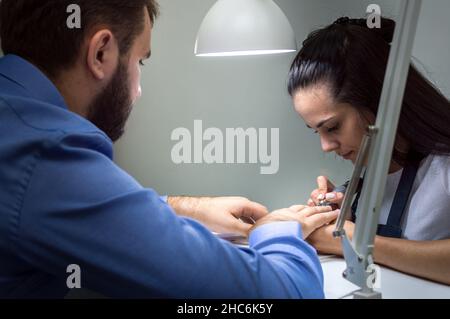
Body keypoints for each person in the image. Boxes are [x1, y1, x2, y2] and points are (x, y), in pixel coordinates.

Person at [0, 0, 340, 298]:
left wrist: (183, 208)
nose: (137, 91)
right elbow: (282, 294)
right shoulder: (46, 150)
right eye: (140, 61)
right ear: (101, 52)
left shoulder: (16, 123)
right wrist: (276, 228)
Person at [287, 16, 450, 285]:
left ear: (378, 103)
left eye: (333, 126)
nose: (326, 146)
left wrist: (354, 240)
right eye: (316, 131)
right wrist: (343, 217)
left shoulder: (443, 169)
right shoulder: (363, 188)